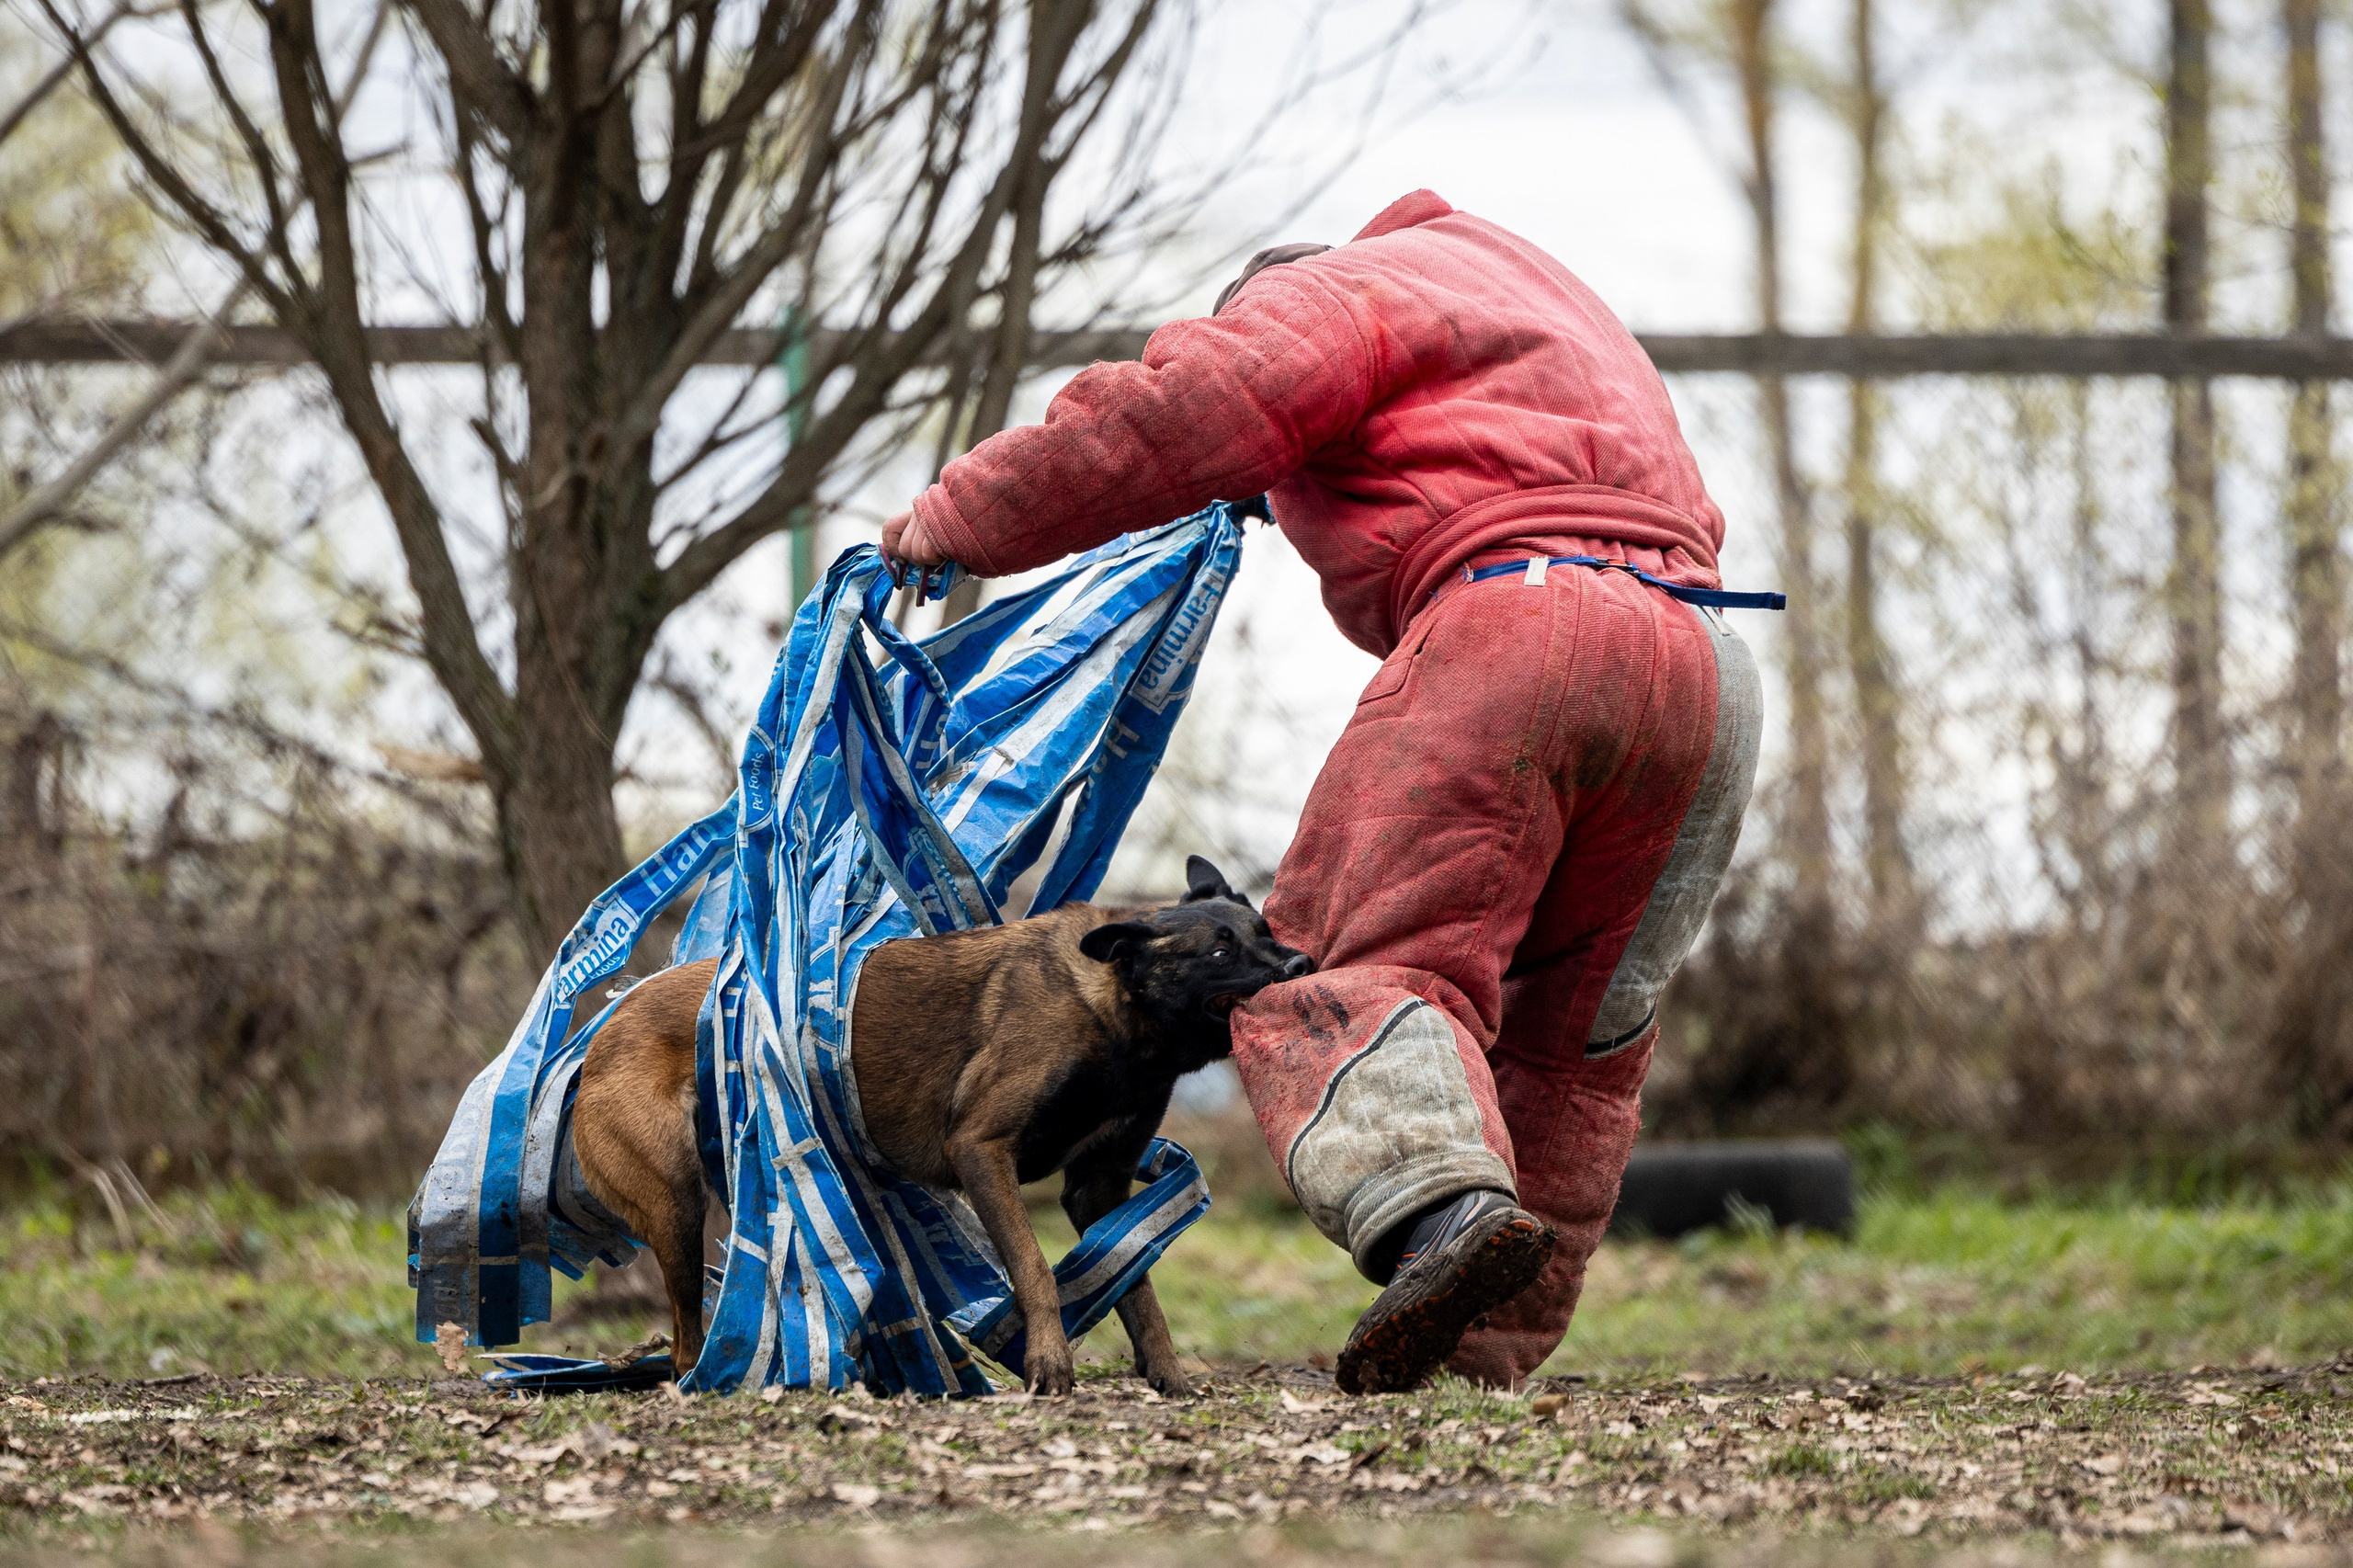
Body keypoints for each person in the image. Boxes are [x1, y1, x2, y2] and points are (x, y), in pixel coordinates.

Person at [883, 189, 1763, 1393]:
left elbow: (1183, 410)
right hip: (1708, 665)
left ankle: (1445, 1217)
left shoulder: (1337, 291)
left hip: (1522, 624)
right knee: (1581, 1041)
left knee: (1335, 973)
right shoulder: (1530, 286)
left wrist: (961, 514)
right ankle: (1480, 1351)